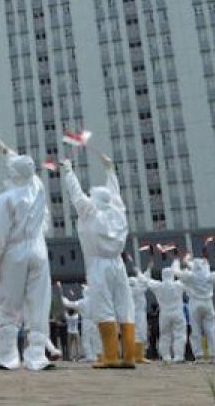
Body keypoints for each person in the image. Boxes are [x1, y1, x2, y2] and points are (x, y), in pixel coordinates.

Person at [60, 155, 136, 368]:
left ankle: (111, 356)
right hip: (118, 264)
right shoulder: (118, 211)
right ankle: (129, 356)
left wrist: (68, 171)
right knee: (125, 306)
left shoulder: (90, 212)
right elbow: (115, 192)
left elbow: (76, 194)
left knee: (104, 308)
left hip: (98, 264)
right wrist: (110, 170)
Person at [0, 138, 52, 371]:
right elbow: (24, 166)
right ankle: (37, 355)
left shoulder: (6, 199)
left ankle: (7, 355)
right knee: (39, 303)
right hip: (39, 249)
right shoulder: (38, 189)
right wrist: (2, 147)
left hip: (15, 252)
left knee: (9, 303)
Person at [174, 256, 215, 363]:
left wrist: (177, 260)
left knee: (196, 330)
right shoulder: (209, 276)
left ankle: (199, 355)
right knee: (211, 330)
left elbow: (176, 272)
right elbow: (203, 266)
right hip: (208, 303)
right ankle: (214, 355)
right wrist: (189, 262)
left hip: (194, 303)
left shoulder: (191, 276)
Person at [146, 261, 187, 362]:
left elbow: (146, 280)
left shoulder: (158, 286)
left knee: (164, 335)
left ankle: (165, 356)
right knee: (179, 335)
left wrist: (148, 269)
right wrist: (180, 264)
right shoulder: (178, 285)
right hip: (178, 313)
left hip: (164, 314)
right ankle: (179, 356)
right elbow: (186, 279)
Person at [62, 284, 101, 362]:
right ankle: (96, 355)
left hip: (86, 321)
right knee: (95, 339)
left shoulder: (82, 302)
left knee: (86, 339)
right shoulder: (96, 301)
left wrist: (63, 298)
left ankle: (89, 356)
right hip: (95, 322)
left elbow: (69, 304)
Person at [127, 264, 151, 364]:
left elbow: (143, 281)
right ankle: (139, 356)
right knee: (141, 335)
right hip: (139, 314)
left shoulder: (127, 291)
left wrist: (148, 269)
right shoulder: (138, 289)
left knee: (134, 335)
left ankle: (134, 355)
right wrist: (139, 272)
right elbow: (145, 282)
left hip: (130, 314)